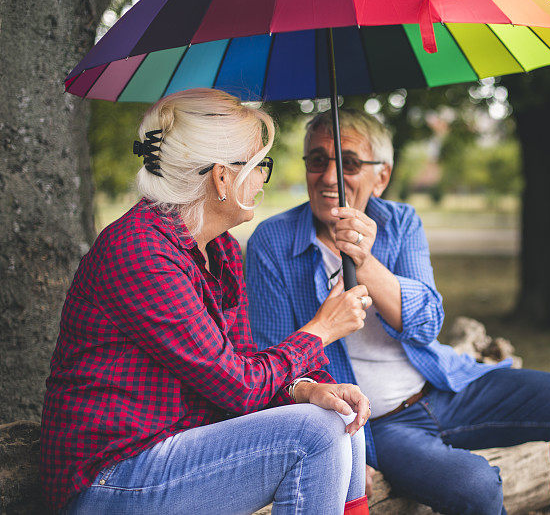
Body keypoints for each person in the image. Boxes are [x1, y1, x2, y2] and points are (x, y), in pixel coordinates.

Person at [246, 108, 550, 515]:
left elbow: (428, 324)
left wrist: (365, 261)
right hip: (380, 425)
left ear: (381, 176)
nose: (329, 177)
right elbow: (275, 365)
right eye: (317, 160)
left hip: (443, 386)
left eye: (349, 163)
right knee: (477, 486)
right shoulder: (272, 243)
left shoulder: (400, 222)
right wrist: (340, 447)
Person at [40, 89, 373, 515]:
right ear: (221, 177)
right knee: (315, 433)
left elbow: (243, 362)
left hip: (174, 449)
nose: (261, 180)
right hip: (110, 479)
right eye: (259, 166)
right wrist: (320, 330)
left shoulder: (221, 250)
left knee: (341, 414)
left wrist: (305, 387)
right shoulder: (139, 251)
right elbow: (238, 387)